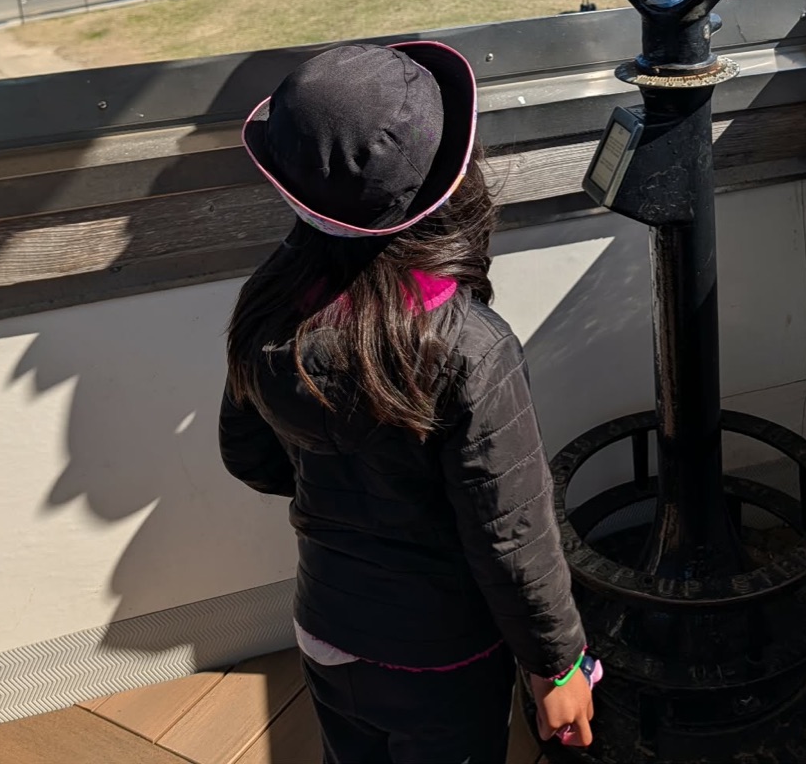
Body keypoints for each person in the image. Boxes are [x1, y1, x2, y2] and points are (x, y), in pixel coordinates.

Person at [219, 41, 594, 763]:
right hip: (442, 653)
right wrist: (559, 664)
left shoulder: (268, 304)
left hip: (327, 623)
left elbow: (249, 456)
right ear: (446, 182)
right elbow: (510, 535)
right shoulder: (468, 346)